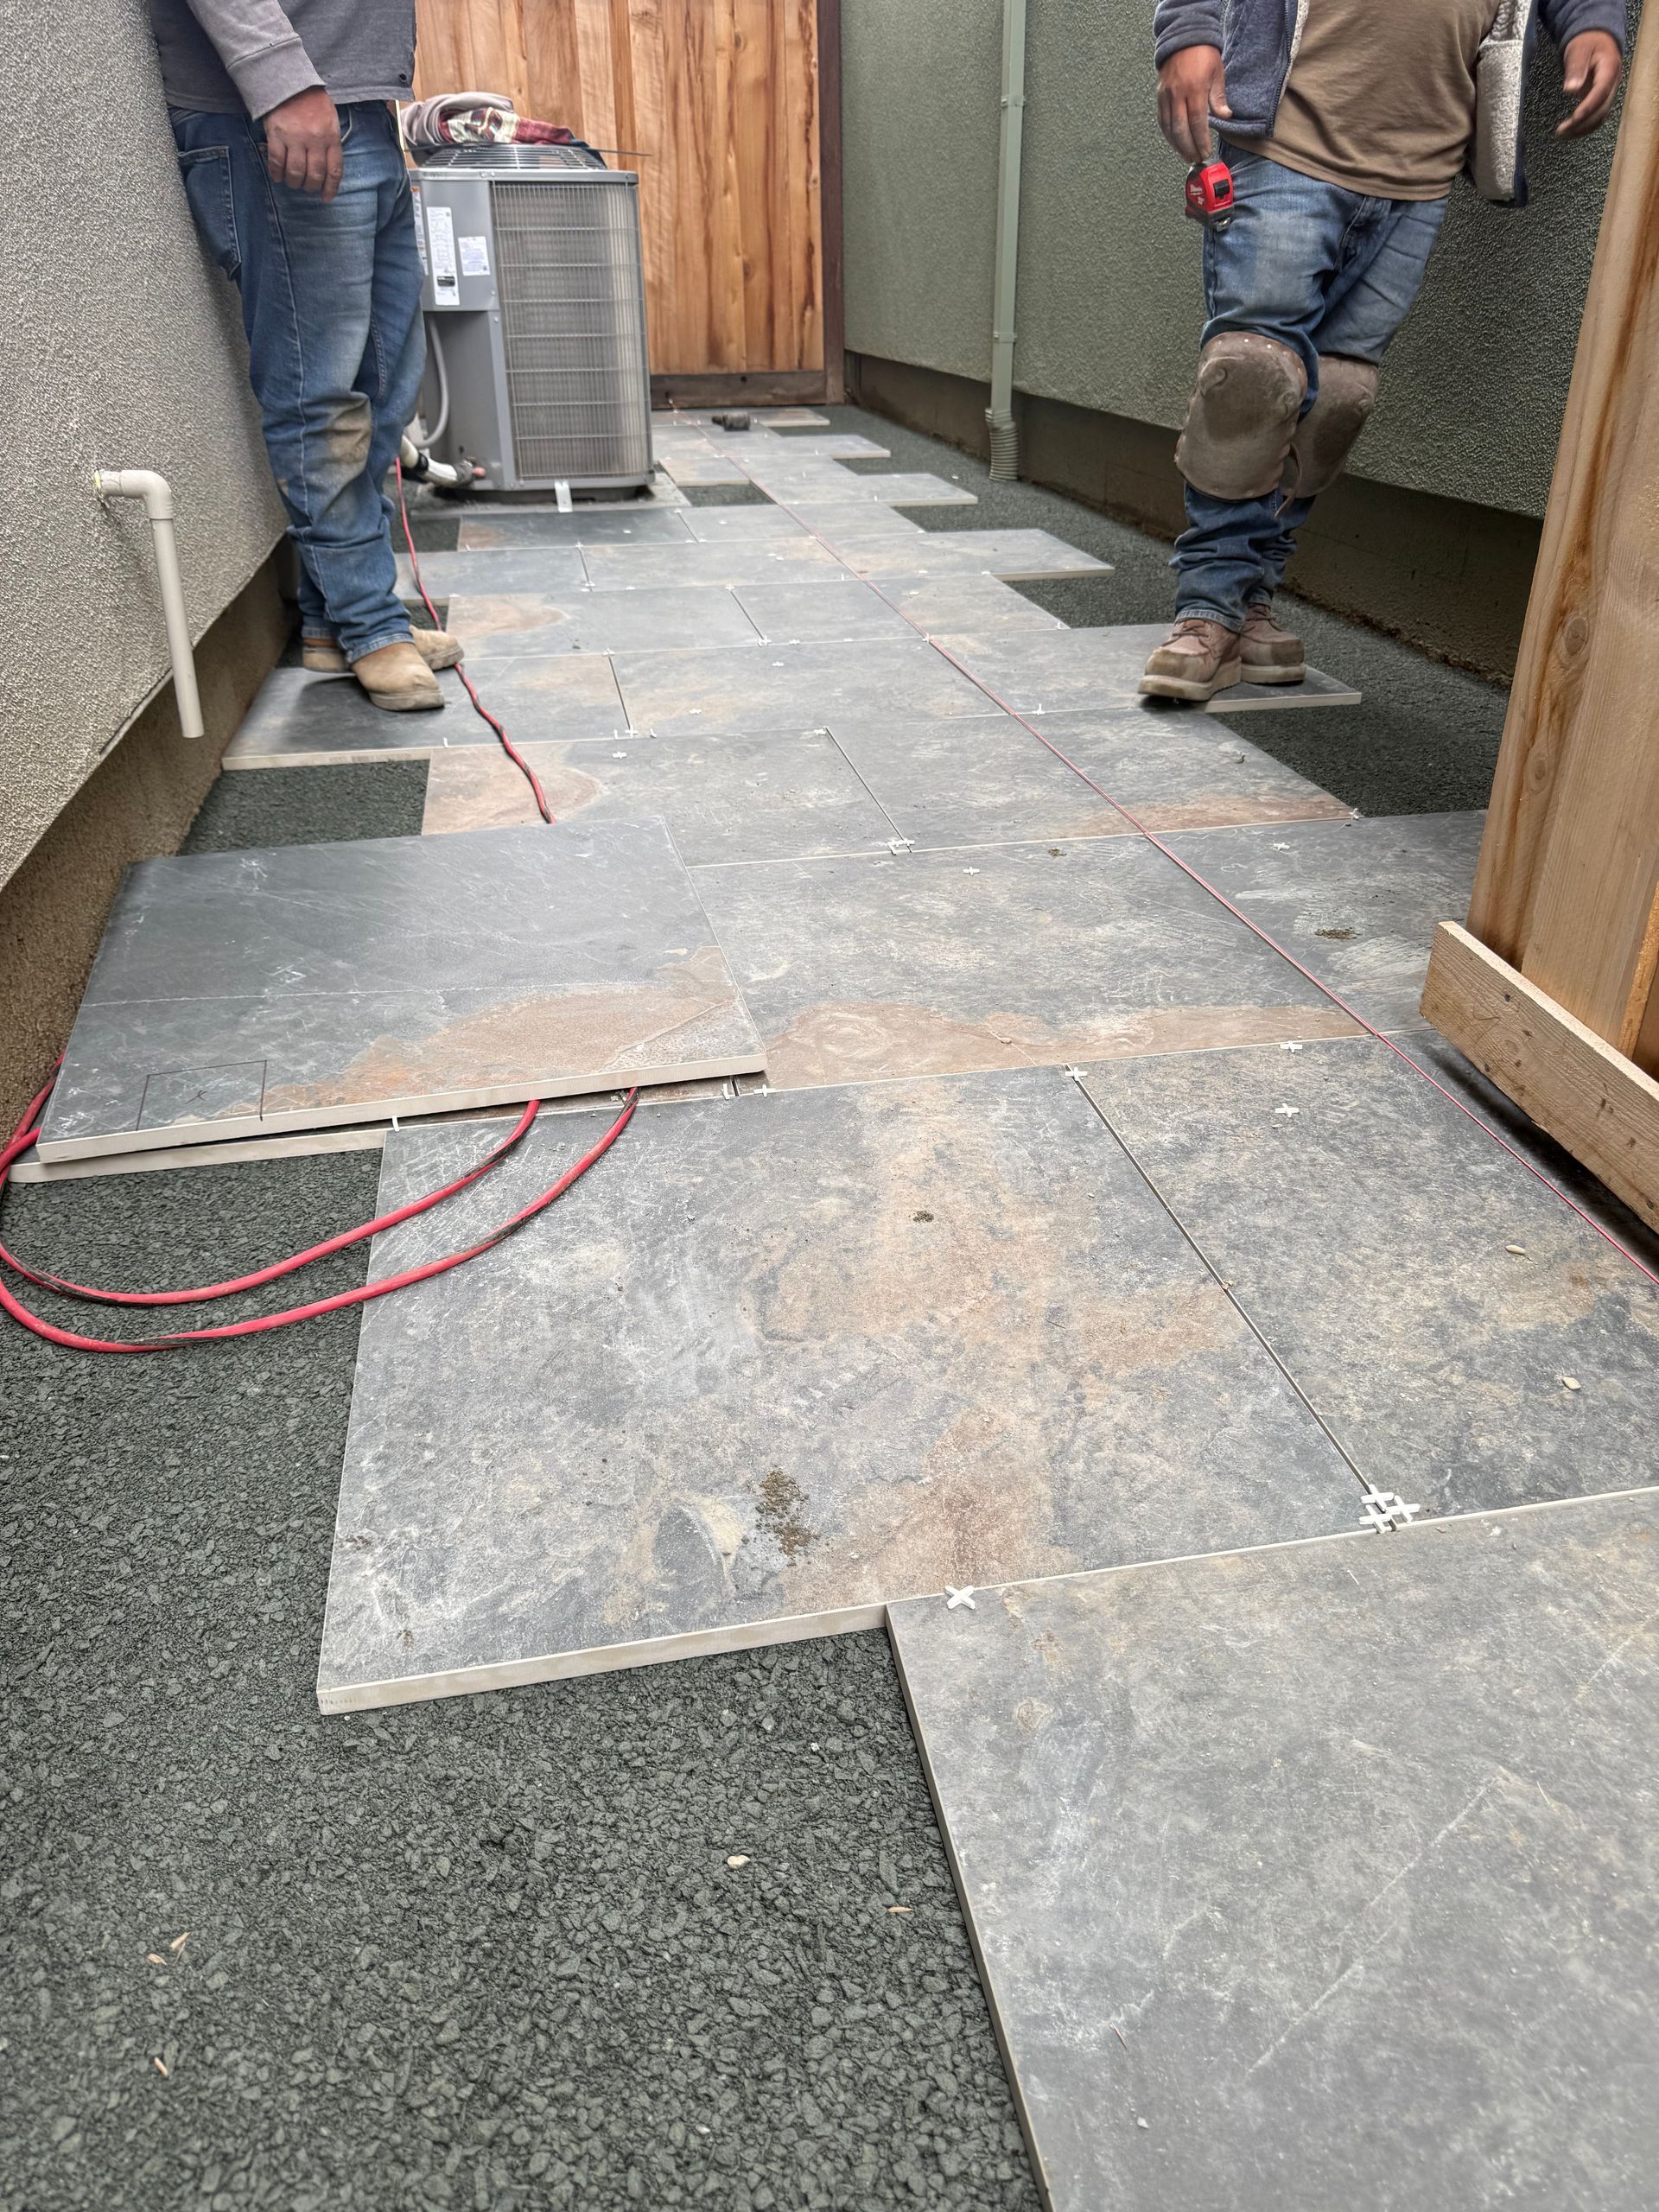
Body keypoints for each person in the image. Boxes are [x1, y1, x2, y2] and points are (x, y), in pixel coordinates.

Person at [1141, 0, 1626, 702]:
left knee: (1335, 398)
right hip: (1288, 140)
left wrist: (1593, 24)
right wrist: (1188, 31)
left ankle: (1250, 602)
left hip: (1419, 173)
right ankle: (1207, 608)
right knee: (1253, 377)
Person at [149, 0, 464, 711]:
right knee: (318, 392)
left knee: (386, 390)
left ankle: (336, 618)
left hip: (360, 106)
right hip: (281, 111)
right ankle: (370, 625)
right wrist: (282, 82)